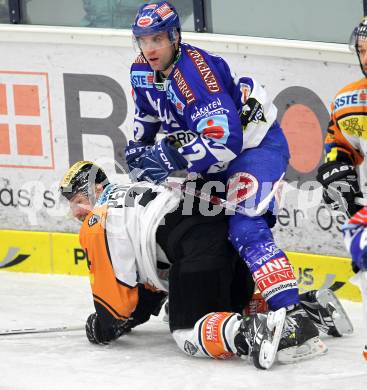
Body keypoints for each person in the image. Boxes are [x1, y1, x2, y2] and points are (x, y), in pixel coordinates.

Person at [125, 1, 349, 362]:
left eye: (157, 39)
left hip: (256, 147)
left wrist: (166, 157)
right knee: (204, 227)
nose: (149, 48)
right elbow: (149, 114)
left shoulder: (195, 76)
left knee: (246, 226)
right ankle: (289, 303)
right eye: (142, 40)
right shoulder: (141, 69)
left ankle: (294, 318)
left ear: (175, 37)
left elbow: (224, 142)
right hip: (214, 158)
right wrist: (138, 148)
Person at [59, 161, 350, 368]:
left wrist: (105, 326)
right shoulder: (137, 189)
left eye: (79, 200)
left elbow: (117, 301)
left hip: (197, 252)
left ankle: (252, 332)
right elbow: (150, 285)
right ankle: (311, 310)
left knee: (187, 330)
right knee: (220, 305)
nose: (76, 211)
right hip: (222, 239)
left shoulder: (100, 219)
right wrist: (131, 320)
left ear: (98, 189)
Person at [316, 17, 367, 218]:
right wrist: (338, 172)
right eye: (361, 51)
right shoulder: (351, 101)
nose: (365, 59)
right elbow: (339, 147)